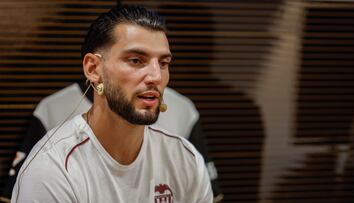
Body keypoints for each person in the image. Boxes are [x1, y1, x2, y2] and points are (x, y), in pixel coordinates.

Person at [11, 5, 213, 202]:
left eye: (163, 63)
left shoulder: (186, 159)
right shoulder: (52, 169)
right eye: (136, 60)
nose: (156, 76)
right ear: (93, 69)